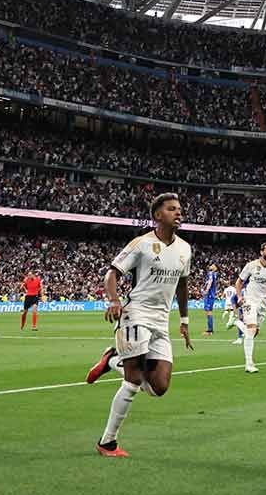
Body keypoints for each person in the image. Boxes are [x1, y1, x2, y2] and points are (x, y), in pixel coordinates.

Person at [84, 192, 193, 458]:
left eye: (179, 209)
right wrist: (113, 299)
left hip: (160, 321)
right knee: (133, 381)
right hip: (136, 314)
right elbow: (112, 272)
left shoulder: (185, 249)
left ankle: (112, 359)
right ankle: (107, 442)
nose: (178, 213)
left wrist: (184, 320)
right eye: (171, 209)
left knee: (159, 387)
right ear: (158, 215)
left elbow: (182, 285)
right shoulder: (141, 244)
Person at [234, 242, 266, 373]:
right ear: (261, 252)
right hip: (250, 300)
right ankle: (249, 364)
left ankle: (238, 324)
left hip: (263, 303)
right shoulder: (251, 266)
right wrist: (239, 297)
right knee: (251, 329)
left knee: (254, 332)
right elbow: (239, 282)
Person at [202, 264, 220, 336]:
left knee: (209, 312)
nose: (211, 266)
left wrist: (206, 290)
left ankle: (210, 331)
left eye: (212, 265)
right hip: (211, 295)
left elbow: (210, 281)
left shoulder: (211, 273)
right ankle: (210, 329)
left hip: (209, 295)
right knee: (208, 311)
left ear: (215, 268)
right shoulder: (215, 274)